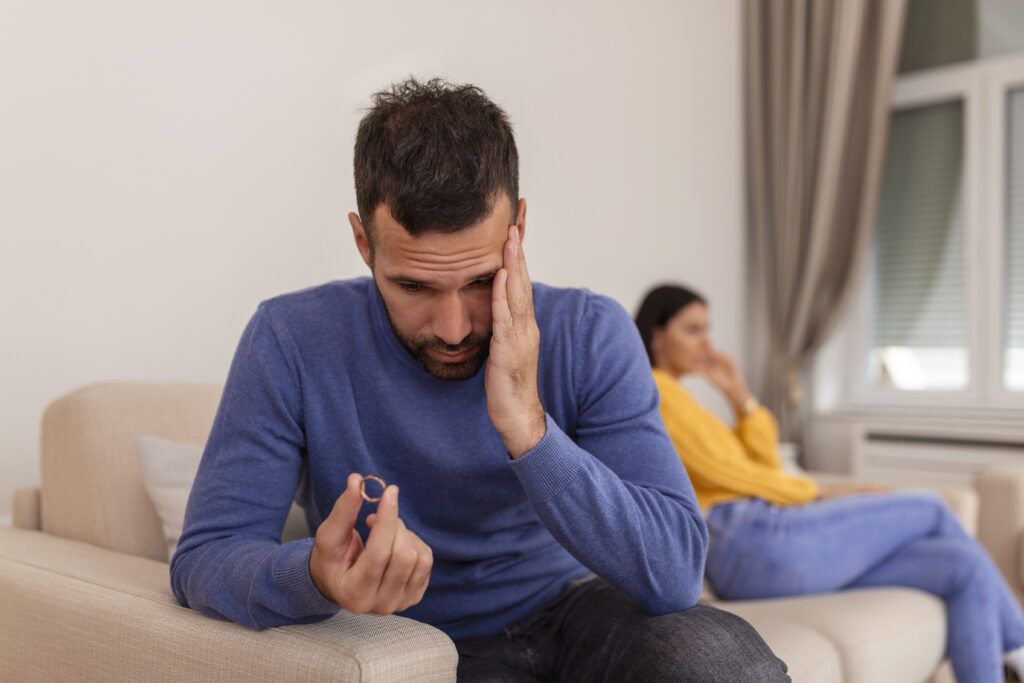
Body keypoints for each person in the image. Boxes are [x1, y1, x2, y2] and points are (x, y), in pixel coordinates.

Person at [169, 79, 789, 682]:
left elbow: (676, 571)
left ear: (517, 226)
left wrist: (527, 425)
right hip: (415, 640)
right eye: (413, 286)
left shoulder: (590, 330)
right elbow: (204, 557)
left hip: (573, 606)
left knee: (722, 662)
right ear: (363, 242)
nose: (455, 327)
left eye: (480, 280)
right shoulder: (290, 338)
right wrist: (315, 575)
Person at [634, 283, 1024, 683]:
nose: (707, 344)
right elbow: (733, 476)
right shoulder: (655, 393)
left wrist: (740, 398)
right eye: (693, 329)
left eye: (708, 329)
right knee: (931, 506)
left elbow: (764, 463)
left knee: (960, 565)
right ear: (657, 335)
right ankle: (1022, 650)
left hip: (758, 539)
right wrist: (822, 491)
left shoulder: (685, 399)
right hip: (747, 536)